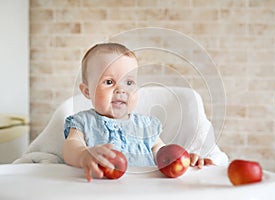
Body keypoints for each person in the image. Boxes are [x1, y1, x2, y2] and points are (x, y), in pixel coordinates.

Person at [62, 43, 214, 182]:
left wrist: (185, 160)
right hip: (99, 190)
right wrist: (83, 155)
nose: (121, 90)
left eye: (129, 83)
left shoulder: (145, 126)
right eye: (109, 82)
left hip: (145, 191)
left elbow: (163, 154)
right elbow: (71, 146)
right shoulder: (83, 122)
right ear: (87, 91)